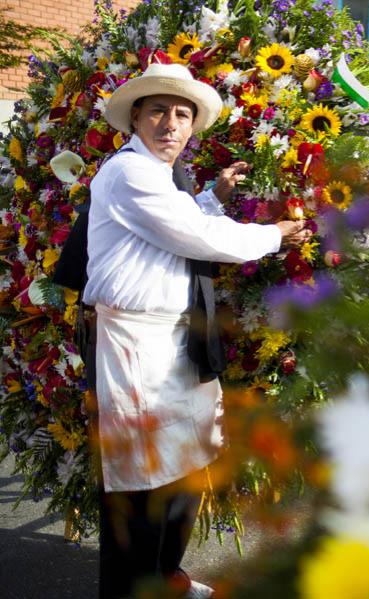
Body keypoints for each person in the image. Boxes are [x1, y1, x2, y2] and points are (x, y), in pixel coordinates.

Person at [83, 62, 307, 599]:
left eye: (182, 114)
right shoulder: (128, 172)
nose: (171, 123)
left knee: (185, 469)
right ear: (135, 117)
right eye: (158, 110)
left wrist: (213, 197)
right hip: (137, 344)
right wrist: (274, 233)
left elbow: (175, 228)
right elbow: (195, 237)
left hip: (176, 341)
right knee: (142, 484)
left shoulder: (159, 177)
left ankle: (167, 576)